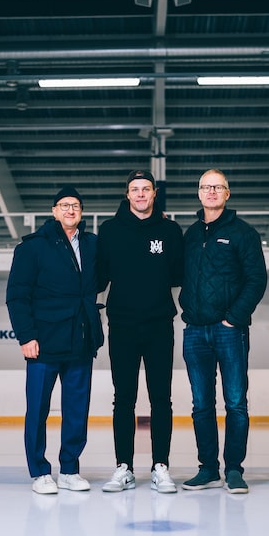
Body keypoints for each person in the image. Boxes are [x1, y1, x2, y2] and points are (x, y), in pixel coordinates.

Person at [6, 186, 104, 495]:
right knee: (38, 409)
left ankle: (70, 469)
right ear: (53, 211)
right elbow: (17, 296)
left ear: (82, 212)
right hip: (43, 342)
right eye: (64, 205)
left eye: (75, 205)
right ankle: (39, 471)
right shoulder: (33, 247)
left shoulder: (92, 245)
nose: (70, 210)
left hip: (80, 339)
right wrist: (26, 335)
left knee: (77, 408)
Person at [178, 168, 268, 494]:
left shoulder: (243, 233)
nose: (211, 192)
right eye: (206, 187)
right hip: (195, 331)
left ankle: (233, 470)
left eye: (218, 187)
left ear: (227, 193)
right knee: (201, 404)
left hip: (230, 331)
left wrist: (234, 318)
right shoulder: (189, 235)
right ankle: (207, 469)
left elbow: (256, 279)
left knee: (235, 403)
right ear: (199, 193)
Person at [96, 170, 184, 494]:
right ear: (127, 194)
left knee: (162, 398)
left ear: (154, 192)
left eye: (146, 189)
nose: (141, 194)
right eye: (135, 189)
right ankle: (124, 468)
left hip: (160, 325)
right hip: (122, 326)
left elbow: (178, 274)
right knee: (124, 400)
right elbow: (98, 277)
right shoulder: (109, 231)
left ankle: (161, 465)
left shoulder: (171, 231)